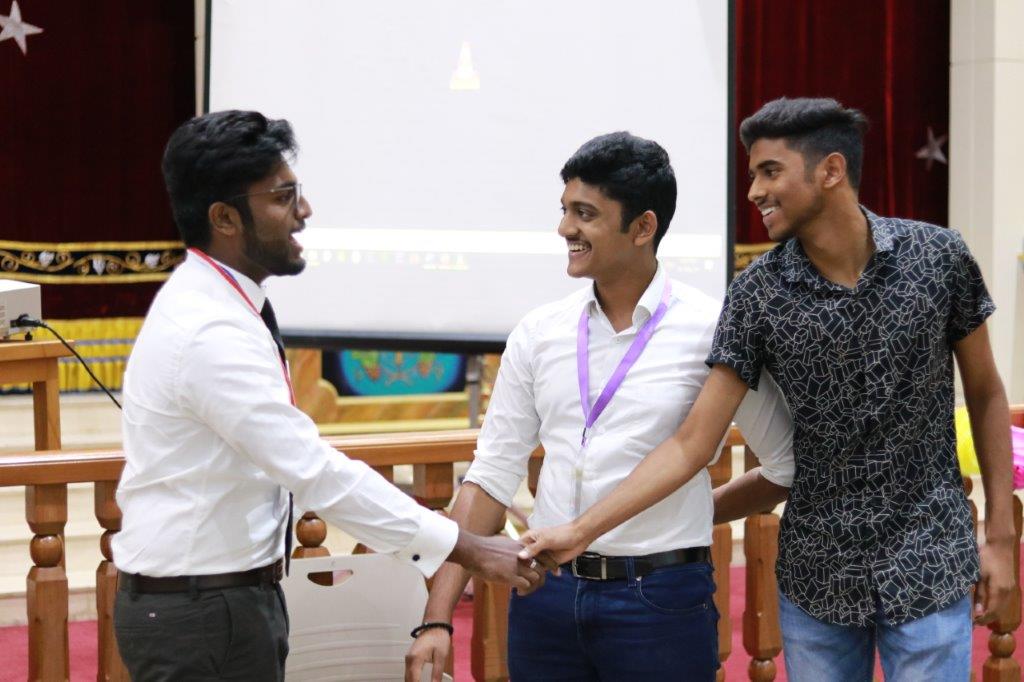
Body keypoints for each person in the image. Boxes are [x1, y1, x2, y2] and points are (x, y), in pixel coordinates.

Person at [519, 98, 1017, 681]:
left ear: (830, 171)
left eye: (770, 171)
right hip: (817, 575)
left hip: (929, 556)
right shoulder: (756, 295)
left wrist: (1001, 537)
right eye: (752, 173)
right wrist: (590, 530)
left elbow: (986, 393)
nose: (754, 191)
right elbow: (692, 442)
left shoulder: (938, 257)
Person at [112, 110, 544, 682]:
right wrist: (467, 547)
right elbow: (313, 471)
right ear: (224, 218)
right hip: (200, 612)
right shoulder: (207, 329)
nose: (305, 211)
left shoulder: (222, 302)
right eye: (283, 197)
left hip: (219, 599)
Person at [405, 132, 795, 682]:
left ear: (643, 227)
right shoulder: (539, 332)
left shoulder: (712, 329)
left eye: (584, 214)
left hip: (660, 601)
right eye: (564, 210)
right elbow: (490, 476)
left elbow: (783, 467)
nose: (565, 228)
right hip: (544, 596)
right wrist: (437, 617)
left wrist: (694, 509)